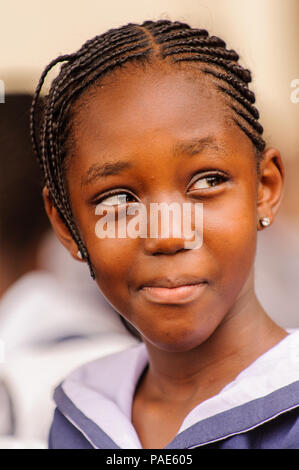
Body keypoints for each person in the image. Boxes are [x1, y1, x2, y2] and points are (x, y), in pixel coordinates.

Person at [30, 19, 299, 449]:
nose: (168, 236)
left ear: (264, 189)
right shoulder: (77, 419)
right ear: (66, 224)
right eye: (118, 201)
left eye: (208, 181)